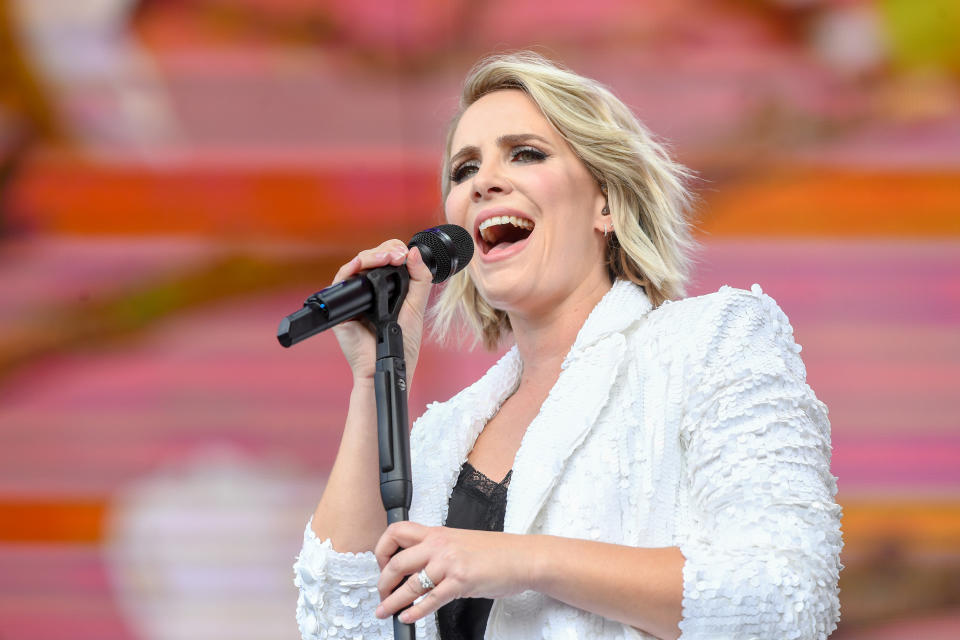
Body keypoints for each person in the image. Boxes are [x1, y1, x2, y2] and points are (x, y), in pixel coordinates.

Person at [293, 51, 842, 640]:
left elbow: (786, 594)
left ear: (605, 202)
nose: (484, 182)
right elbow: (342, 624)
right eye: (463, 169)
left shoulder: (711, 344)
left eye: (525, 153)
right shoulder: (437, 438)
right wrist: (376, 376)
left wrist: (522, 559)